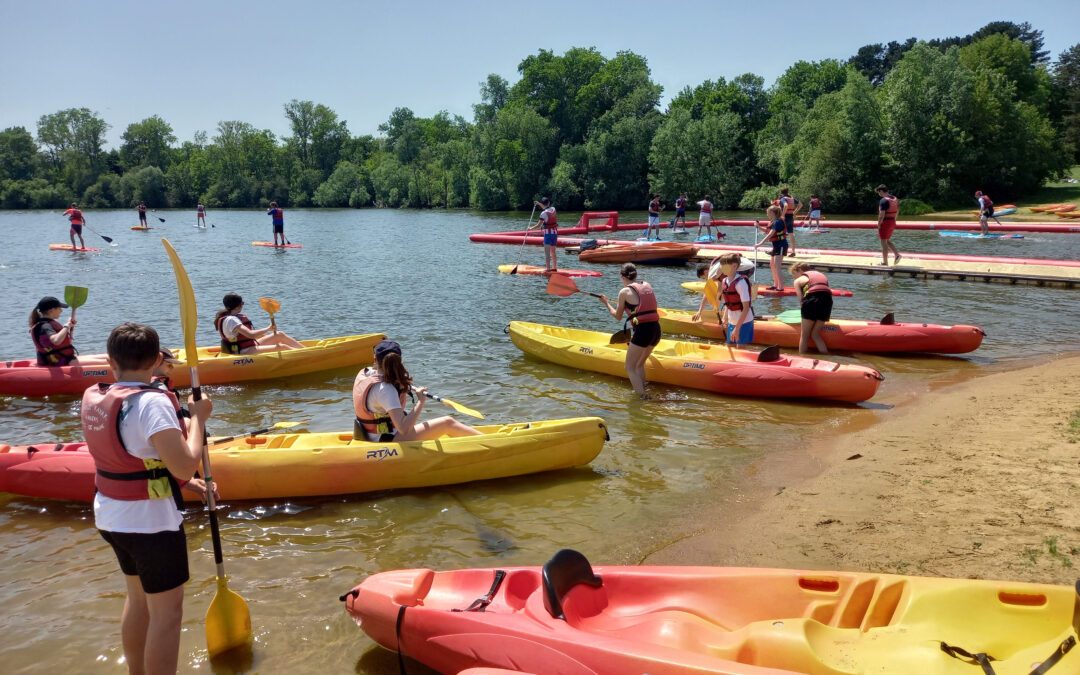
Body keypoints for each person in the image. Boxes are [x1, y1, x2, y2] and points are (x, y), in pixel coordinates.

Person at [83, 322, 215, 675]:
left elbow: (134, 457)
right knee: (167, 615)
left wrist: (184, 487)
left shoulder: (95, 395)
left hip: (110, 516)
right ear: (157, 359)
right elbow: (185, 465)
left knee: (139, 600)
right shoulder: (151, 404)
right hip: (150, 525)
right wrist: (197, 420)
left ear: (111, 360)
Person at [352, 340, 482, 442]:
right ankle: (494, 444)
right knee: (447, 422)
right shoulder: (386, 390)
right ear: (399, 360)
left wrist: (401, 382)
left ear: (375, 359)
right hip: (385, 440)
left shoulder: (366, 373)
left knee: (434, 422)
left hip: (368, 434)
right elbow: (403, 429)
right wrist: (420, 401)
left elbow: (382, 387)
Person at [598, 263, 660, 399]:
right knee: (639, 364)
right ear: (635, 275)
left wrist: (606, 303)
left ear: (622, 276)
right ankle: (643, 389)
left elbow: (618, 316)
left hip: (643, 332)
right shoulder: (647, 284)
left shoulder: (624, 292)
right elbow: (639, 306)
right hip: (656, 329)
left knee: (629, 367)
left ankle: (643, 398)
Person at [694, 253, 754, 347]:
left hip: (744, 322)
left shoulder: (741, 283)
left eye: (724, 266)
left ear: (734, 266)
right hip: (732, 321)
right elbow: (727, 302)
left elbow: (746, 308)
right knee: (729, 347)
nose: (721, 269)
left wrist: (737, 328)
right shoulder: (724, 281)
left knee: (740, 349)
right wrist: (724, 319)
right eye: (721, 266)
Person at [28, 296, 107, 367]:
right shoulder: (45, 326)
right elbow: (56, 341)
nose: (61, 311)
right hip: (62, 362)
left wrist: (69, 327)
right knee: (107, 362)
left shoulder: (44, 324)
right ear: (51, 310)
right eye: (59, 308)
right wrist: (67, 326)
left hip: (66, 358)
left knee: (108, 356)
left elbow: (60, 342)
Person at [214, 293, 304, 354]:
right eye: (242, 303)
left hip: (247, 346)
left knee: (279, 335)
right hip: (243, 350)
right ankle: (306, 355)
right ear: (238, 306)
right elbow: (251, 335)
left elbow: (246, 336)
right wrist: (268, 328)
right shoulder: (232, 320)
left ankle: (306, 350)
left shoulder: (227, 317)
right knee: (282, 347)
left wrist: (265, 333)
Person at [791, 262, 832, 354]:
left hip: (812, 300)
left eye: (794, 274)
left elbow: (801, 299)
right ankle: (826, 356)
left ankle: (802, 359)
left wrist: (803, 312)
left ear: (799, 270)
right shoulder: (821, 274)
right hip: (827, 301)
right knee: (815, 334)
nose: (794, 277)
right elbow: (824, 289)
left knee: (804, 335)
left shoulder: (798, 281)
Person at [753, 205, 787, 290]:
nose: (767, 214)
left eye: (768, 213)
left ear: (772, 213)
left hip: (781, 245)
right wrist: (759, 226)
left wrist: (759, 244)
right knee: (772, 265)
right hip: (776, 246)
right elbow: (767, 231)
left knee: (777, 266)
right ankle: (775, 284)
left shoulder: (778, 222)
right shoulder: (773, 221)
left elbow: (770, 234)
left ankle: (781, 287)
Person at [876, 185, 902, 265]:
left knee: (883, 242)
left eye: (878, 192)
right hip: (892, 222)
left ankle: (885, 262)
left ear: (881, 191)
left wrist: (879, 224)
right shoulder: (894, 198)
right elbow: (898, 210)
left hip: (885, 222)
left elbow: (882, 214)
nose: (879, 194)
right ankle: (897, 255)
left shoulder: (883, 200)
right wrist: (894, 220)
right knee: (886, 240)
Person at [532, 197, 558, 272]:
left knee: (547, 253)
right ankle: (554, 267)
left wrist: (530, 228)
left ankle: (548, 269)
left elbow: (538, 226)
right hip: (555, 233)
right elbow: (546, 208)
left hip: (547, 235)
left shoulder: (543, 214)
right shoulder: (553, 209)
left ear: (543, 204)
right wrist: (538, 203)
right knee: (553, 252)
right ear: (549, 203)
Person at [778, 188, 801, 256]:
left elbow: (785, 205)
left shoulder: (783, 199)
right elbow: (800, 205)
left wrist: (782, 215)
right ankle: (793, 251)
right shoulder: (792, 198)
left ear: (781, 193)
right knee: (791, 234)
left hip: (785, 217)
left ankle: (779, 250)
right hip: (791, 217)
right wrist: (794, 213)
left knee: (780, 233)